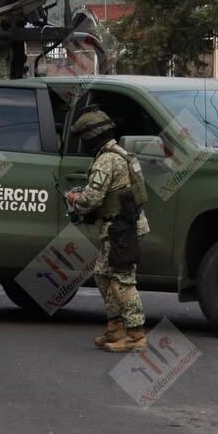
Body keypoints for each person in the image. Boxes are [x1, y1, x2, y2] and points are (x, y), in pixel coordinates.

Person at [65, 109, 150, 352]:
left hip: (121, 228)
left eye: (84, 138)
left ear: (93, 136)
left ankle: (135, 335)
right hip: (123, 225)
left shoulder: (107, 159)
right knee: (103, 275)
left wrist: (74, 199)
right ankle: (116, 328)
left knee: (122, 279)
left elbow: (92, 199)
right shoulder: (119, 153)